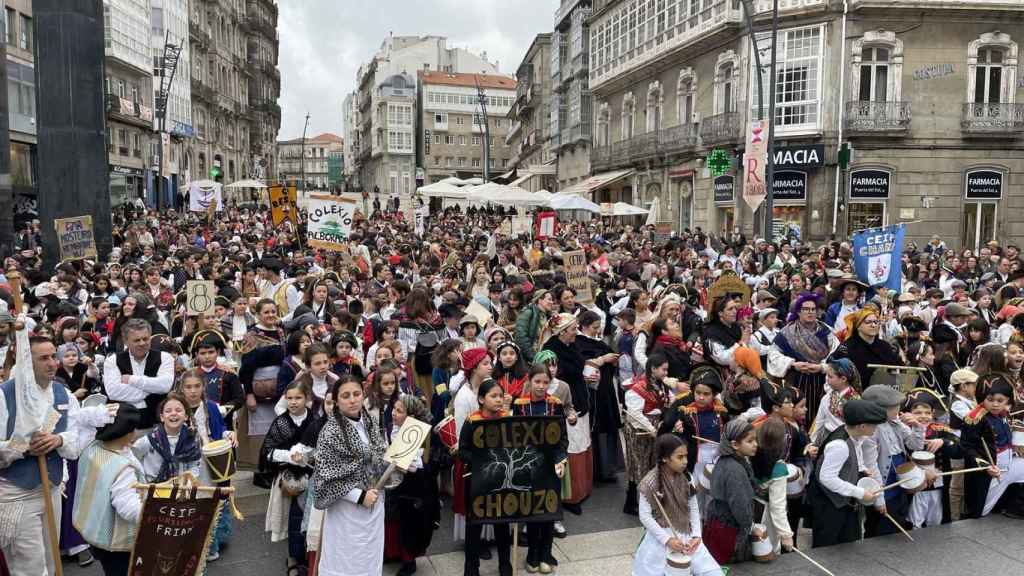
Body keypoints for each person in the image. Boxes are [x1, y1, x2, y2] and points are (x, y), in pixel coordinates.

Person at [0, 331, 112, 576]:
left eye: (53, 356)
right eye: (44, 358)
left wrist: (57, 439)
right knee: (29, 568)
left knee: (51, 564)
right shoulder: (4, 394)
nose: (53, 363)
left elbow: (74, 441)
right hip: (15, 493)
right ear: (27, 362)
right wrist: (23, 447)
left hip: (51, 488)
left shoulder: (61, 394)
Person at [314, 376, 391, 576]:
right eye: (345, 396)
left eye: (356, 394)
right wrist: (359, 496)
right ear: (336, 401)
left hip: (374, 501)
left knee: (370, 557)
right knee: (346, 560)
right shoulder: (330, 432)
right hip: (346, 509)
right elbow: (325, 479)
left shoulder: (370, 421)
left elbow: (380, 454)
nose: (352, 400)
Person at [633, 434, 723, 576]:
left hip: (687, 535)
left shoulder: (687, 478)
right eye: (680, 457)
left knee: (713, 572)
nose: (685, 461)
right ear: (664, 458)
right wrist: (667, 539)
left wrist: (697, 536)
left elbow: (693, 508)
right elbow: (645, 517)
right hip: (661, 539)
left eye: (686, 456)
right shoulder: (649, 483)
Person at [71, 404, 145, 576]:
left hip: (94, 533)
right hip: (117, 543)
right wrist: (154, 511)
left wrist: (100, 414)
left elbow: (78, 419)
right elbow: (128, 508)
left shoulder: (92, 446)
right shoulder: (122, 468)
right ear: (128, 432)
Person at [807, 399, 887, 547]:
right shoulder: (840, 445)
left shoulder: (854, 436)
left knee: (849, 545)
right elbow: (826, 478)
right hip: (830, 506)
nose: (876, 428)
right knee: (828, 549)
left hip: (843, 504)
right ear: (862, 426)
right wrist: (860, 493)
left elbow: (854, 458)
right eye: (874, 425)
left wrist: (862, 471)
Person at [511, 364, 567, 573]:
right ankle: (532, 555)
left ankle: (546, 553)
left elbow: (562, 437)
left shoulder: (556, 404)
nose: (541, 386)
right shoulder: (520, 405)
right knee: (532, 512)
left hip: (552, 464)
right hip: (529, 465)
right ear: (529, 381)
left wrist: (561, 459)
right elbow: (515, 437)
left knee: (549, 511)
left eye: (545, 382)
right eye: (537, 382)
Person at [458, 379, 513, 576]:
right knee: (474, 526)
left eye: (500, 395)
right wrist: (483, 460)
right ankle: (471, 569)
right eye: (493, 396)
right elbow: (462, 451)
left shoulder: (507, 419)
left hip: (501, 480)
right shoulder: (472, 421)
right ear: (481, 399)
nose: (499, 400)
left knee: (502, 525)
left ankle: (505, 565)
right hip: (477, 481)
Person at [261, 381, 315, 575]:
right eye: (289, 398)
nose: (293, 402)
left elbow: (321, 449)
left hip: (311, 478)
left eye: (298, 398)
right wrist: (289, 456)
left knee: (308, 519)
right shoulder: (281, 422)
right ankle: (294, 557)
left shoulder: (314, 421)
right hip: (288, 481)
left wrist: (308, 457)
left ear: (307, 399)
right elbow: (267, 452)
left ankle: (310, 558)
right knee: (292, 520)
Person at [384, 395, 438, 576]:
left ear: (411, 416)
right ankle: (395, 553)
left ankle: (409, 561)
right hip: (395, 484)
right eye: (394, 409)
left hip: (415, 486)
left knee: (410, 524)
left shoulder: (421, 435)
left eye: (399, 411)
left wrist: (415, 468)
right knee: (394, 521)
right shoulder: (391, 429)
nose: (393, 413)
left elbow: (429, 464)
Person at [702, 419, 763, 566]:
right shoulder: (734, 470)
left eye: (755, 440)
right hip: (728, 529)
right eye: (750, 441)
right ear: (735, 444)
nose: (755, 444)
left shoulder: (727, 460)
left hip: (718, 522)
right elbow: (740, 505)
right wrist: (751, 526)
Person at [621, 353, 672, 516]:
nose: (666, 373)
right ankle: (632, 503)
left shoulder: (660, 385)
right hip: (640, 432)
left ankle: (645, 502)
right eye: (663, 370)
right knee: (639, 466)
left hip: (654, 430)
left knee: (651, 466)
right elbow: (635, 415)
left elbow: (668, 400)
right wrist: (651, 429)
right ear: (653, 369)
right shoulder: (637, 389)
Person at [102, 318, 175, 428]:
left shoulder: (165, 358)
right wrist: (149, 390)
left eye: (145, 339)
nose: (142, 343)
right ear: (126, 341)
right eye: (137, 340)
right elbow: (113, 392)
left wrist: (132, 380)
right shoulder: (112, 360)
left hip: (155, 423)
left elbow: (165, 386)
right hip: (122, 425)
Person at [132, 392, 202, 482]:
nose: (173, 414)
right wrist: (142, 482)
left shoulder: (192, 439)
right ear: (162, 417)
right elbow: (132, 460)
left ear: (186, 416)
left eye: (178, 410)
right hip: (153, 491)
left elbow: (194, 465)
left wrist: (189, 482)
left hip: (181, 491)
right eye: (168, 411)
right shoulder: (148, 440)